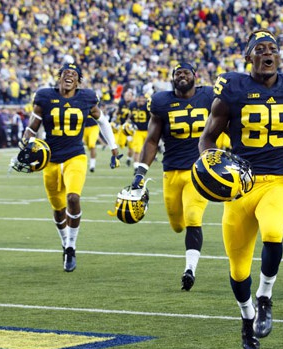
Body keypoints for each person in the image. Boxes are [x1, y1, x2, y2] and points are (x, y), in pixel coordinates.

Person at [198, 30, 283, 349]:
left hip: (278, 182)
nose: (267, 53)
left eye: (272, 49)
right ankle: (247, 318)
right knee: (239, 270)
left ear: (279, 57)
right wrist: (211, 164)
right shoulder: (232, 88)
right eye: (260, 49)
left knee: (273, 231)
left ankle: (265, 297)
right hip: (240, 188)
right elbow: (208, 138)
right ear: (248, 58)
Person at [21, 62, 120, 272]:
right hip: (51, 159)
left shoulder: (86, 97)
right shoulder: (45, 96)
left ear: (79, 80)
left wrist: (113, 147)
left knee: (73, 198)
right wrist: (26, 141)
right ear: (59, 77)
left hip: (75, 155)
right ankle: (65, 242)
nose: (69, 76)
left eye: (73, 74)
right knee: (58, 209)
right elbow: (32, 127)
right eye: (66, 73)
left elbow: (102, 121)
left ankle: (71, 247)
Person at [129, 62, 212, 292]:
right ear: (172, 79)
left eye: (185, 72)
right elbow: (152, 140)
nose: (181, 76)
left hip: (199, 171)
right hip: (172, 171)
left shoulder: (208, 96)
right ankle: (188, 245)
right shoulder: (161, 102)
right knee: (177, 225)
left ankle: (190, 270)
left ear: (195, 76)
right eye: (177, 73)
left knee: (194, 217)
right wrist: (141, 171)